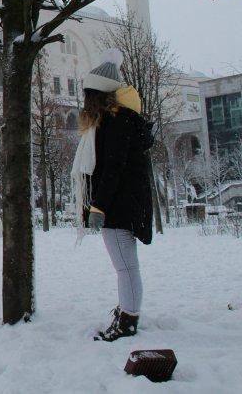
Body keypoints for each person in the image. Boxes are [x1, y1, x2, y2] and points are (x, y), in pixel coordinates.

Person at [71, 49, 153, 342]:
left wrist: (98, 206)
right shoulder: (118, 120)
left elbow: (113, 168)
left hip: (119, 205)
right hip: (123, 202)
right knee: (125, 264)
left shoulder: (116, 122)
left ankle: (128, 321)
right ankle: (127, 310)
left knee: (125, 266)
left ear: (98, 95)